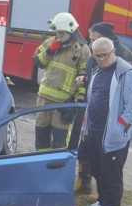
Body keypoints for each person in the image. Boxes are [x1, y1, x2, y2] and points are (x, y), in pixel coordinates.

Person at [78, 37, 132, 206]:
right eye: (97, 56)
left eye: (104, 55)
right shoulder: (97, 71)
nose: (101, 59)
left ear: (113, 51)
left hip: (113, 136)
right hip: (95, 132)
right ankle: (101, 203)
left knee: (112, 175)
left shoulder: (127, 73)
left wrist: (119, 126)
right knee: (97, 169)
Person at [72, 21, 132, 193]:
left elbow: (131, 98)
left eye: (93, 38)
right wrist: (86, 80)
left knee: (111, 167)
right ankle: (88, 185)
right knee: (88, 154)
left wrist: (119, 125)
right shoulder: (97, 54)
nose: (90, 42)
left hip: (112, 124)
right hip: (94, 118)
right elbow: (100, 80)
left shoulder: (124, 57)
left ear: (104, 39)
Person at [33, 12, 90, 150]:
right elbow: (38, 62)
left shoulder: (82, 50)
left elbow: (84, 77)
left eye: (62, 34)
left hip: (63, 103)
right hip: (43, 100)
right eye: (57, 33)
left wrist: (77, 102)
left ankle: (57, 168)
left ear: (72, 31)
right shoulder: (50, 42)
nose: (58, 36)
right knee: (41, 137)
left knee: (59, 142)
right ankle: (41, 164)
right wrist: (49, 51)